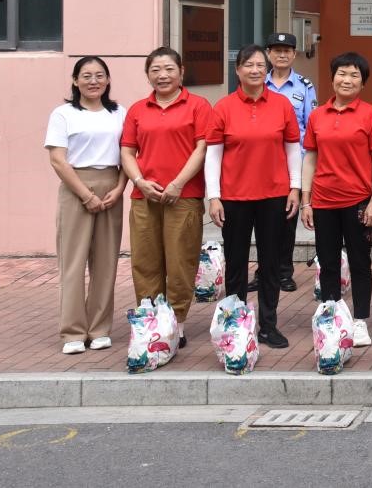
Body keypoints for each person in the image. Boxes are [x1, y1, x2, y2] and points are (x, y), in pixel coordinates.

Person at [206, 44, 301, 350]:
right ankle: (236, 324)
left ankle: (268, 325)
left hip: (274, 195)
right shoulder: (223, 107)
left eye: (261, 65)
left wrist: (295, 187)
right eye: (249, 65)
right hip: (234, 197)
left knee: (271, 263)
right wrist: (214, 196)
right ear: (238, 70)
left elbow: (292, 149)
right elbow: (213, 155)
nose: (256, 70)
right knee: (236, 263)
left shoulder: (282, 105)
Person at [119, 47, 211, 350]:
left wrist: (178, 183)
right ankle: (151, 322)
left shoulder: (198, 106)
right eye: (155, 69)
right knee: (145, 262)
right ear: (148, 75)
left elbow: (202, 149)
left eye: (169, 69)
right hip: (144, 196)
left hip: (183, 196)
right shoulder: (137, 110)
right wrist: (140, 182)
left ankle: (176, 323)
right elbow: (127, 151)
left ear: (181, 72)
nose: (163, 75)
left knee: (180, 261)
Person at [301, 52, 372, 347]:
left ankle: (360, 321)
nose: (347, 80)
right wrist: (306, 200)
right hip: (324, 200)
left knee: (360, 262)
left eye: (354, 75)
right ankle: (332, 317)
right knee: (328, 262)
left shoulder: (370, 115)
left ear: (363, 83)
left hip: (358, 200)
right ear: (332, 77)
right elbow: (310, 158)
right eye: (342, 73)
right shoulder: (317, 115)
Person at [45, 56, 128, 355]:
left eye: (100, 75)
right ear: (75, 80)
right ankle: (73, 332)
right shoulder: (63, 114)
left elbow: (128, 154)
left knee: (106, 262)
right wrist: (86, 195)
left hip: (111, 186)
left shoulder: (119, 113)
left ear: (108, 80)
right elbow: (58, 160)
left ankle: (100, 329)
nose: (94, 81)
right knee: (73, 262)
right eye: (87, 75)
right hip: (75, 186)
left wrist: (120, 188)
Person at [254, 32, 316, 294]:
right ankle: (262, 272)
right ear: (268, 54)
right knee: (261, 219)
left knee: (287, 218)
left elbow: (311, 126)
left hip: (294, 162)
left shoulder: (304, 86)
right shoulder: (258, 82)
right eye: (276, 50)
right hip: (262, 161)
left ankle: (283, 272)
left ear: (294, 54)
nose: (281, 55)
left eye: (287, 51)